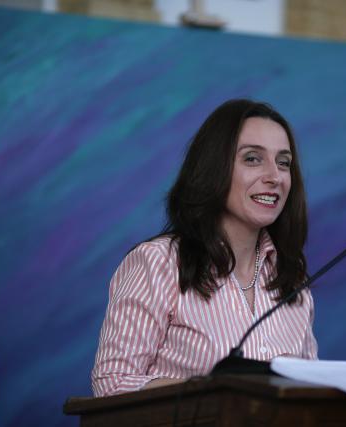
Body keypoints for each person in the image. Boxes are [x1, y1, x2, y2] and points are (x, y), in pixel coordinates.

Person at [91, 99, 318, 397]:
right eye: (252, 158)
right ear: (214, 168)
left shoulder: (293, 279)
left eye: (283, 162)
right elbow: (112, 384)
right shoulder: (158, 263)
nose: (274, 177)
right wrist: (215, 392)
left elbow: (308, 395)